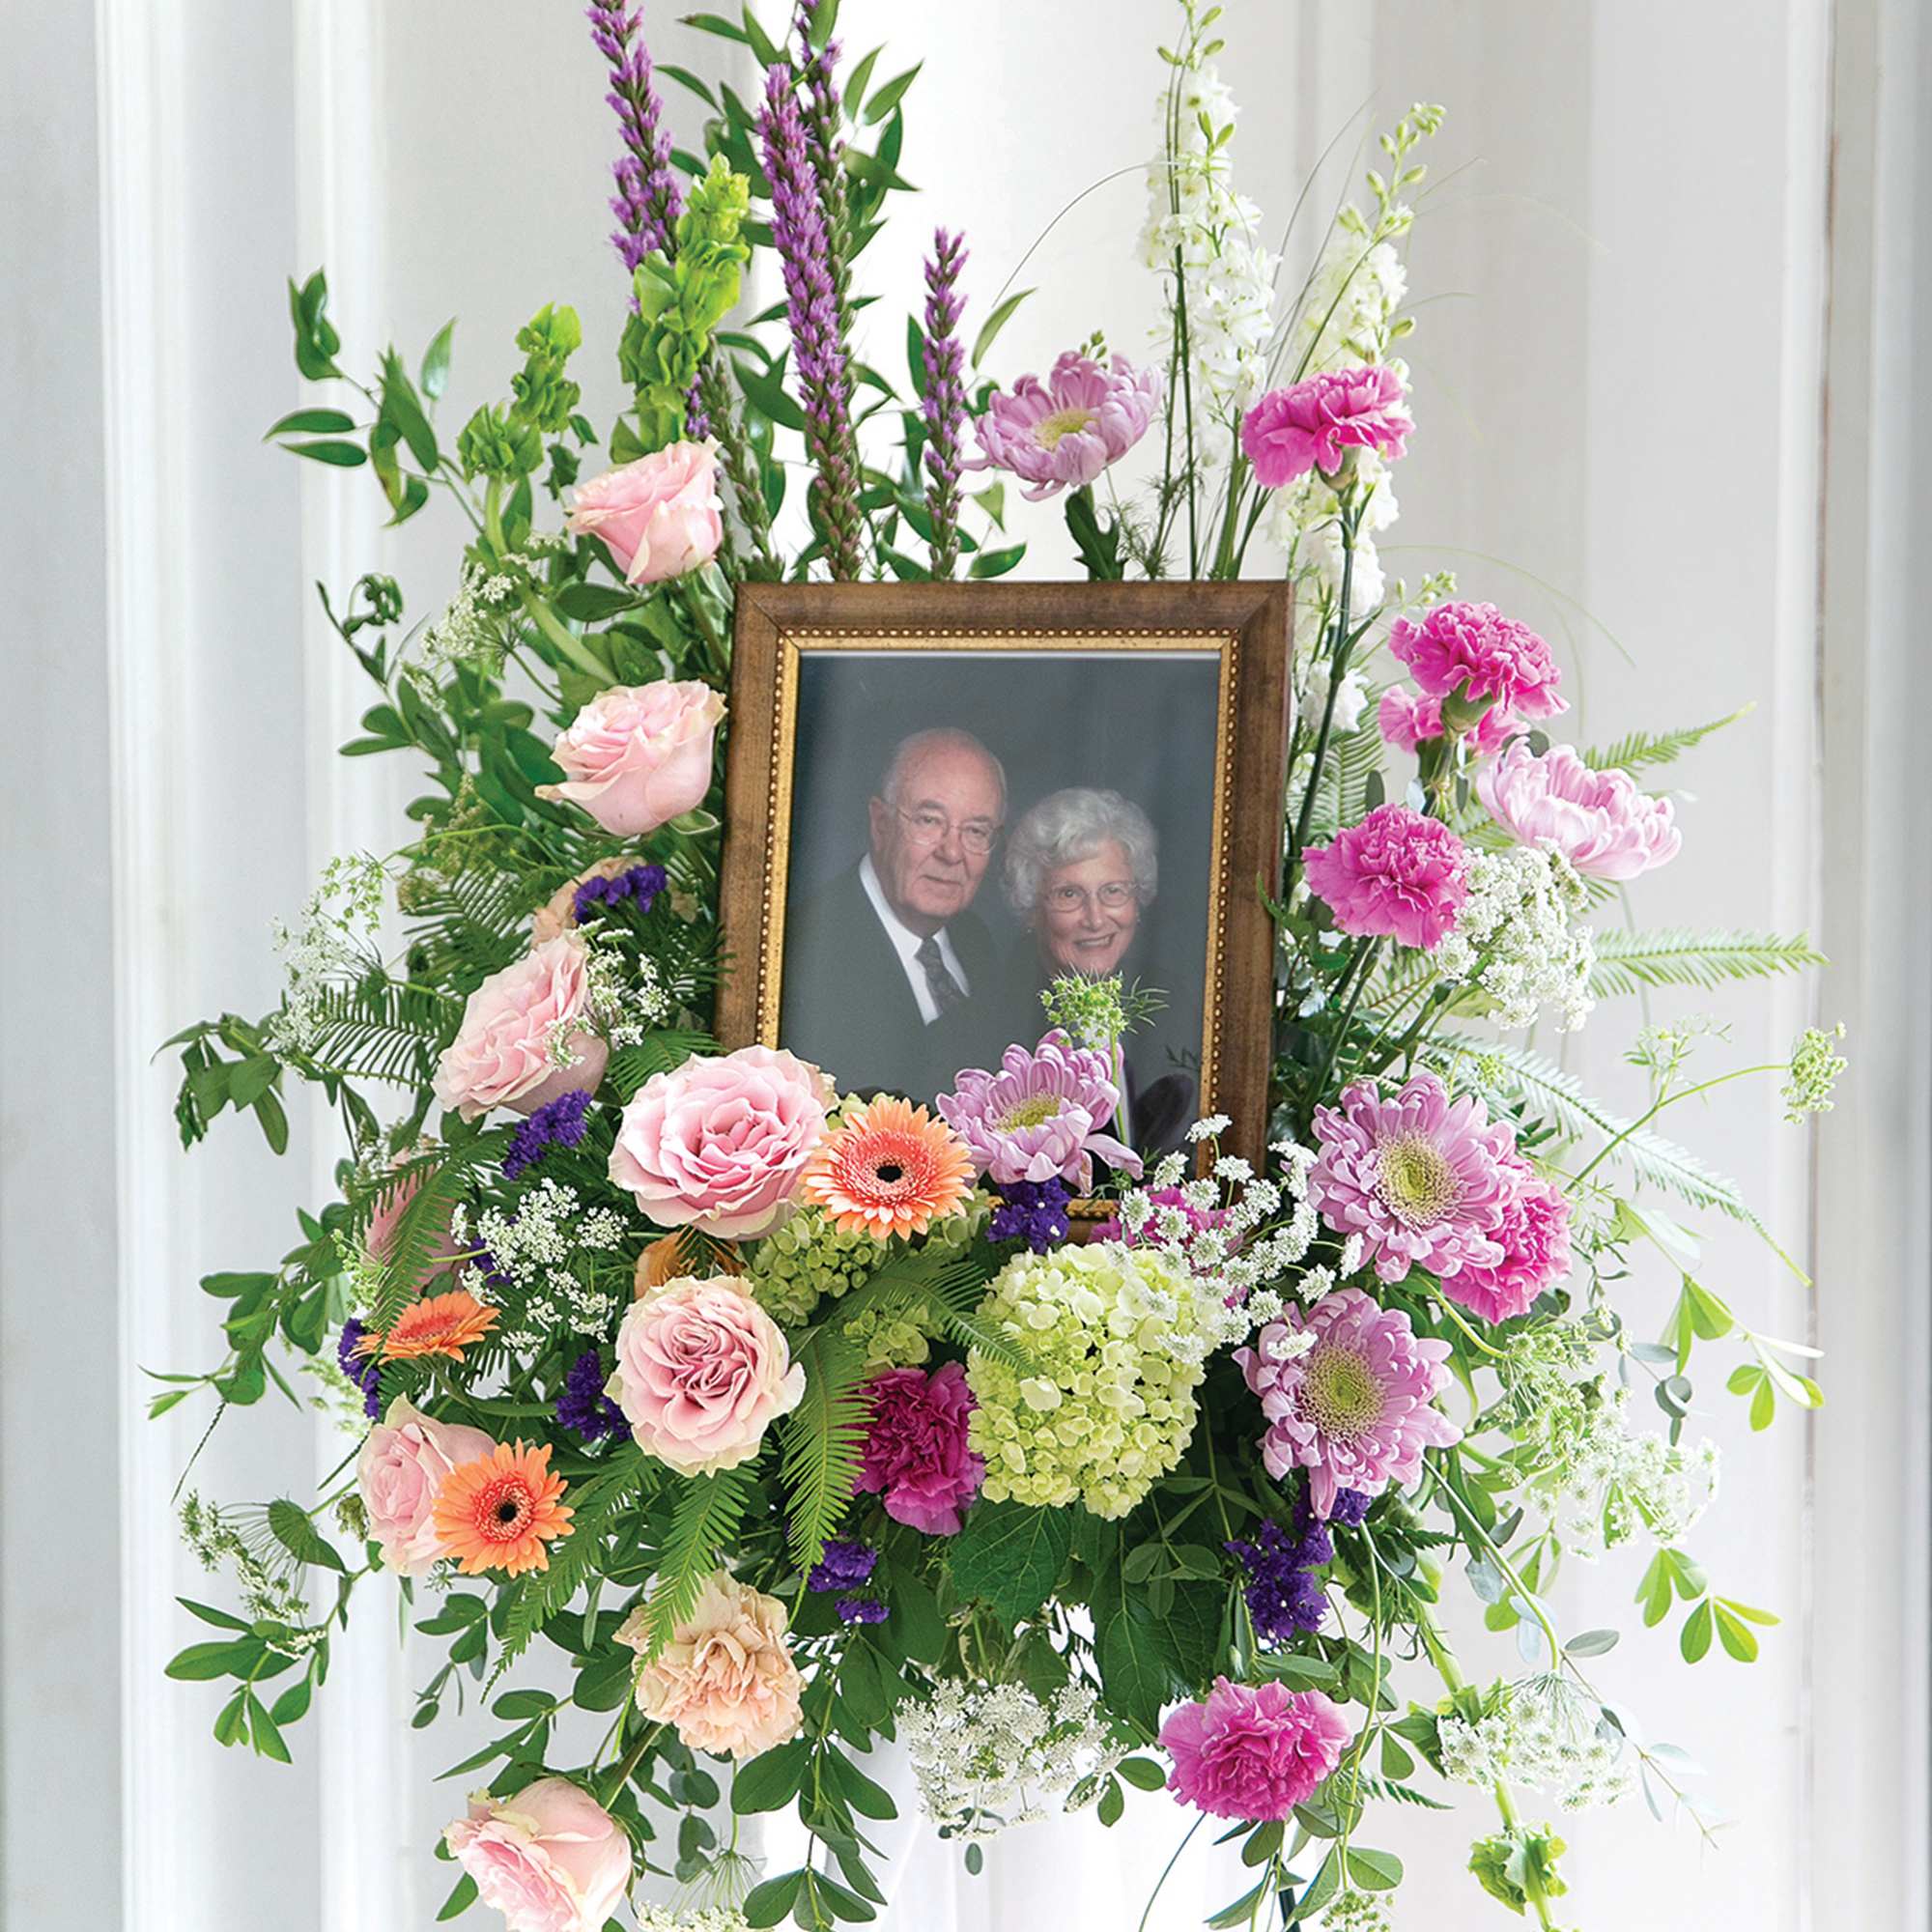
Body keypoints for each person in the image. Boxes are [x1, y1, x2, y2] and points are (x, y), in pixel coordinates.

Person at [781, 726, 1008, 1101]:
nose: (952, 853)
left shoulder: (975, 941)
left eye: (976, 831)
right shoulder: (804, 949)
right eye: (929, 820)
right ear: (881, 823)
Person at [1001, 786, 1198, 1157]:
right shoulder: (993, 1017)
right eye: (1069, 895)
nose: (1094, 918)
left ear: (1137, 901)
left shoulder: (1179, 1002)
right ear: (1030, 907)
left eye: (1113, 891)